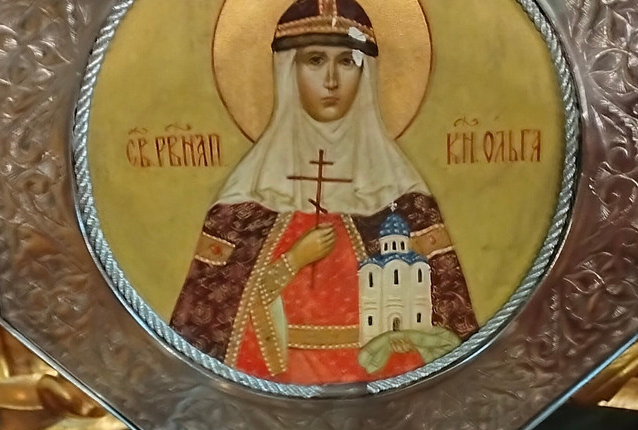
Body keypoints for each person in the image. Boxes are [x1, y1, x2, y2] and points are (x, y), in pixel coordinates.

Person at [172, 0, 477, 385]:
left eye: (347, 61)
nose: (331, 80)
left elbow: (450, 326)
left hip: (383, 387)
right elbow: (208, 324)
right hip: (276, 389)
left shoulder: (403, 196)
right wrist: (292, 262)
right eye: (315, 61)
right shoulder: (246, 200)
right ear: (288, 70)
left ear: (366, 72)